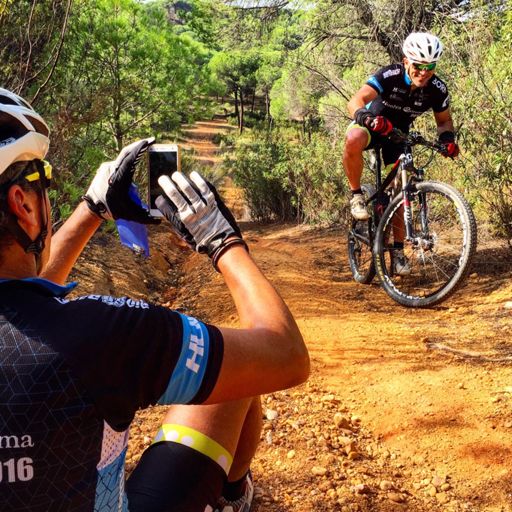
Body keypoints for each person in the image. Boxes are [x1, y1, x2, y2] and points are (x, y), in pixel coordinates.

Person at [0, 87, 310, 512]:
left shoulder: (73, 333)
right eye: (44, 181)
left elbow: (21, 310)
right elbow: (286, 354)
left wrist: (93, 208)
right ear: (22, 204)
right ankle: (232, 495)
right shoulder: (103, 334)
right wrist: (222, 240)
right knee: (236, 370)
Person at [343, 32, 460, 275]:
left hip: (398, 136)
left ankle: (397, 251)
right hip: (372, 125)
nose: (423, 72)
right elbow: (356, 100)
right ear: (406, 61)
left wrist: (447, 140)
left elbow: (444, 121)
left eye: (430, 67)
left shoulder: (437, 89)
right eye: (418, 66)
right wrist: (367, 118)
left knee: (401, 187)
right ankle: (356, 195)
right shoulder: (390, 75)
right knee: (353, 139)